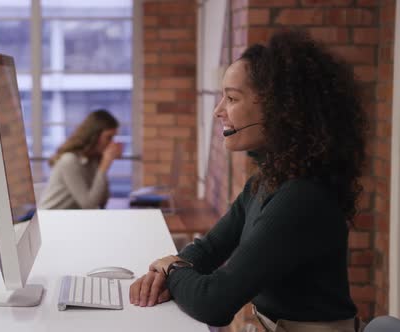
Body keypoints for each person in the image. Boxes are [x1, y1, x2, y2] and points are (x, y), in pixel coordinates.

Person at [129, 30, 367, 331]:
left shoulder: (303, 197)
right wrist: (169, 271)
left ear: (279, 109)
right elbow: (210, 247)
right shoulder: (266, 180)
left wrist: (172, 269)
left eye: (231, 98)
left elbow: (214, 303)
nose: (218, 111)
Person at [39, 109, 123, 209]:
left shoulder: (93, 160)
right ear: (95, 136)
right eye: (108, 137)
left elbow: (102, 202)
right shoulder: (69, 160)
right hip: (50, 220)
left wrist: (104, 166)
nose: (111, 143)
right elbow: (89, 205)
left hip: (72, 218)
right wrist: (104, 166)